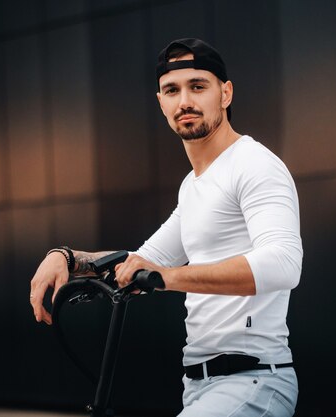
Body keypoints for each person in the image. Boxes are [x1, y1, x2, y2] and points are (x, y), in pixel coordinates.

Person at [30, 38, 302, 417]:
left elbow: (284, 264)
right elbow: (143, 261)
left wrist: (169, 277)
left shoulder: (254, 164)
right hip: (199, 386)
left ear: (225, 93)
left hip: (251, 381)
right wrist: (66, 257)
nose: (185, 101)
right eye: (172, 90)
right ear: (160, 102)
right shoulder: (193, 186)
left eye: (198, 86)